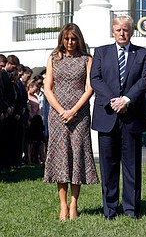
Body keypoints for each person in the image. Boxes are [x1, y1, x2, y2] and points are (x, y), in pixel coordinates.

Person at [90, 15, 146, 220]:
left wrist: (126, 100)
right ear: (112, 31)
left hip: (131, 116)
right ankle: (109, 210)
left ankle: (131, 209)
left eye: (126, 30)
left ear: (132, 31)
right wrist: (113, 101)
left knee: (131, 166)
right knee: (108, 166)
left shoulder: (143, 54)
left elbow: (145, 80)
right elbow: (96, 79)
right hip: (107, 115)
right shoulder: (101, 52)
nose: (122, 33)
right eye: (118, 30)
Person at [43, 23, 99, 221]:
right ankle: (63, 206)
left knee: (77, 157)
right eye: (66, 39)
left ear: (79, 40)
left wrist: (74, 110)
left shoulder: (86, 59)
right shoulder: (53, 59)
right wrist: (61, 111)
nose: (70, 43)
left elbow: (89, 88)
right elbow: (48, 88)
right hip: (58, 116)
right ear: (62, 39)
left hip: (80, 114)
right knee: (60, 158)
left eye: (73, 39)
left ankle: (74, 204)